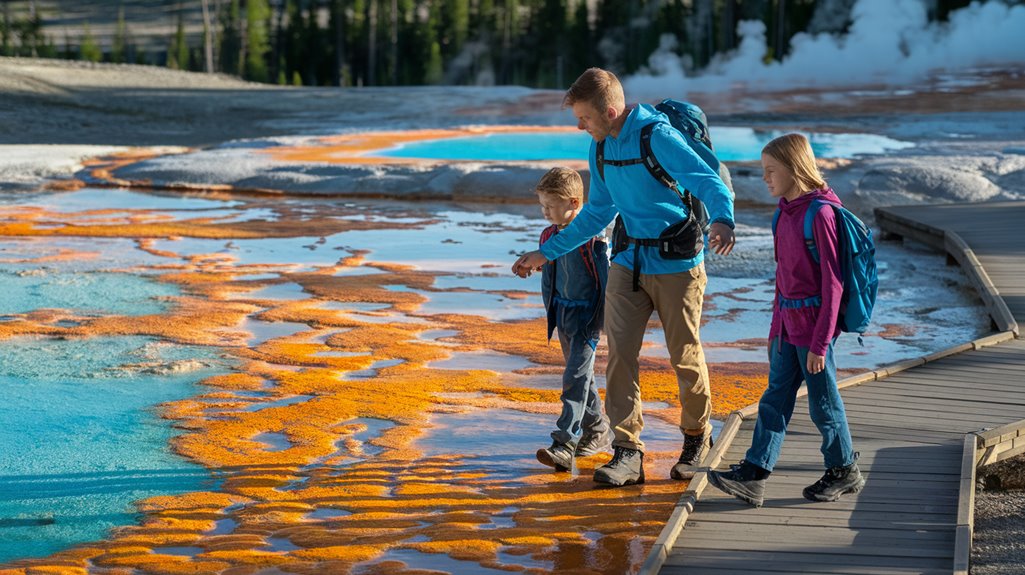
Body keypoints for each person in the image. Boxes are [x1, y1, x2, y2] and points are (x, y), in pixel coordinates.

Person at [512, 68, 736, 487]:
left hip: (677, 266)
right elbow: (597, 215)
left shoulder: (657, 137)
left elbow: (707, 182)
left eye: (584, 118)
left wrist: (723, 220)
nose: (580, 126)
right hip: (628, 262)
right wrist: (545, 253)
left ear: (610, 110)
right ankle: (627, 450)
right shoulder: (600, 149)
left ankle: (695, 439)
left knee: (684, 356)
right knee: (620, 359)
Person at [706, 133, 864, 507]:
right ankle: (755, 474)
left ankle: (843, 470)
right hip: (786, 326)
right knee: (774, 398)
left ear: (794, 168)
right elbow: (782, 279)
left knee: (823, 402)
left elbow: (834, 284)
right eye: (763, 170)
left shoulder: (821, 214)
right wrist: (775, 329)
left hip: (813, 331)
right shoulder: (783, 213)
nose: (764, 177)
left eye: (771, 170)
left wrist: (821, 342)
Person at [518, 167, 612, 472]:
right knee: (584, 377)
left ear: (574, 202)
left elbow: (606, 278)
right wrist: (532, 267)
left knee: (574, 378)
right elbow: (553, 269)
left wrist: (604, 318)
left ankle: (564, 443)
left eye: (551, 206)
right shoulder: (548, 235)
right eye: (543, 206)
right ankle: (598, 431)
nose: (545, 213)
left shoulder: (593, 238)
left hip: (586, 316)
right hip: (561, 313)